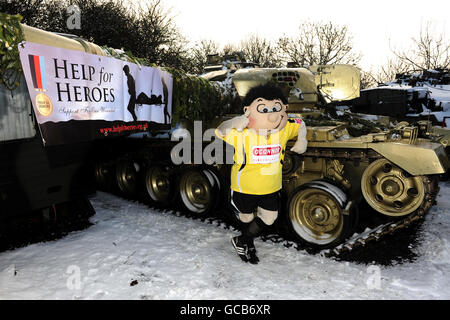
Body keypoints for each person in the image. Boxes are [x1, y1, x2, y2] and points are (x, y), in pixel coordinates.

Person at [215, 84, 307, 264]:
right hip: (244, 187)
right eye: (263, 109)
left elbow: (300, 123)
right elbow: (220, 130)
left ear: (284, 108)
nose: (272, 115)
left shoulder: (285, 129)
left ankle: (243, 241)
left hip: (270, 187)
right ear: (247, 111)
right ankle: (247, 243)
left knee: (269, 218)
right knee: (246, 217)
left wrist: (302, 138)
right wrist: (235, 122)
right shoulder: (241, 133)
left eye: (276, 108)